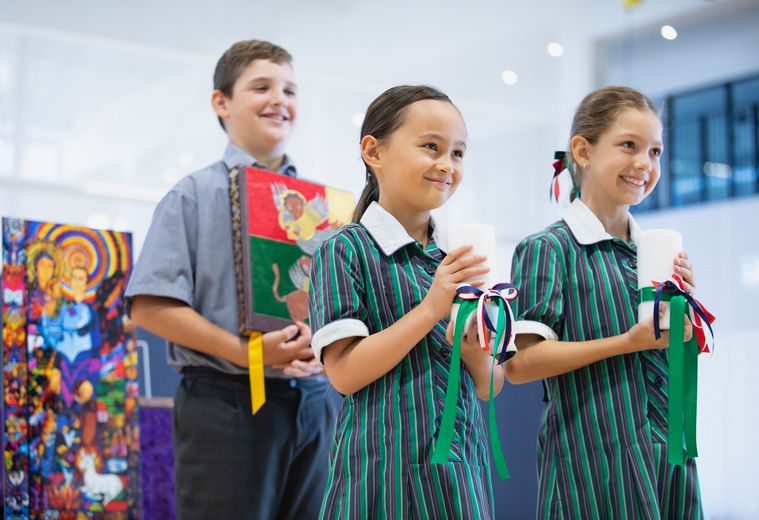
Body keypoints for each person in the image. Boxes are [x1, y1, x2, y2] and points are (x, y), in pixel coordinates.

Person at [126, 39, 336, 519]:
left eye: (290, 89)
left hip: (315, 401)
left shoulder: (323, 209)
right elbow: (149, 306)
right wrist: (247, 353)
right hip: (228, 403)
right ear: (222, 102)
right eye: (261, 86)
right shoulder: (193, 195)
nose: (279, 99)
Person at [505, 86, 702, 518]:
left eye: (655, 152)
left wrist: (684, 316)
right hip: (591, 469)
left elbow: (665, 355)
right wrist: (626, 342)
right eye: (629, 145)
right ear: (583, 150)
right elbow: (520, 365)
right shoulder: (549, 248)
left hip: (669, 458)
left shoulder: (653, 254)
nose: (644, 164)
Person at [309, 85, 502, 518]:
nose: (446, 165)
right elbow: (343, 373)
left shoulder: (456, 258)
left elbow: (490, 385)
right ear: (373, 152)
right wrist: (431, 309)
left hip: (461, 476)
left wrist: (474, 354)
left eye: (457, 153)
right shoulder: (345, 249)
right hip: (380, 481)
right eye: (430, 146)